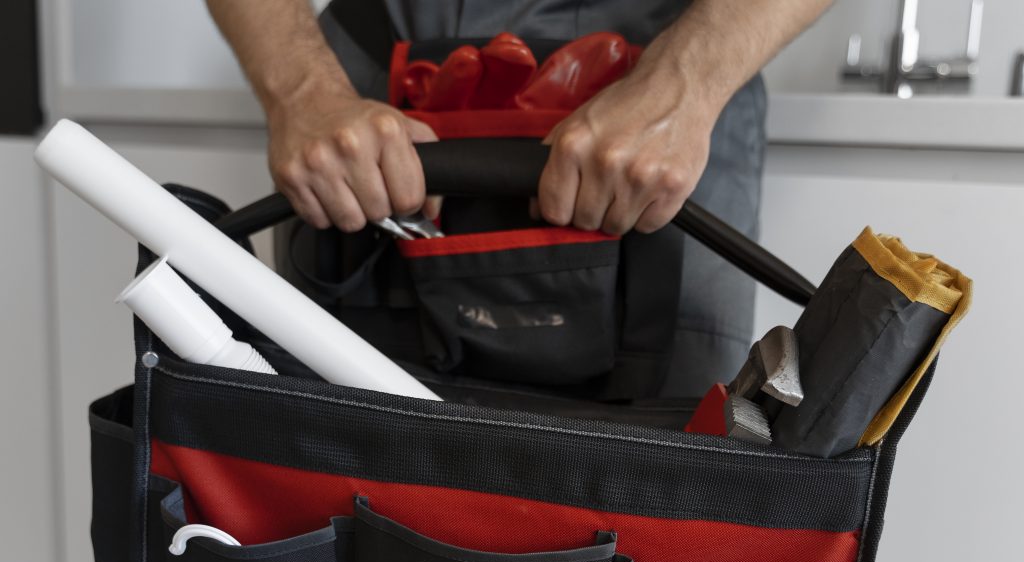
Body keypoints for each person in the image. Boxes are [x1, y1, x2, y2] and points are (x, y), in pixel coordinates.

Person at [207, 0, 832, 396]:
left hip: (671, 104)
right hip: (360, 97)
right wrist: (302, 93)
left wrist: (685, 85)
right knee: (325, 476)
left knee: (673, 500)